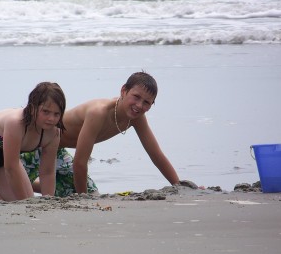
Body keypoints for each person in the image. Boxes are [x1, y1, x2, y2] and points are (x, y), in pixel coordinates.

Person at [22, 71, 180, 196]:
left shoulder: (137, 119)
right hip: (37, 143)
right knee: (15, 192)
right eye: (136, 97)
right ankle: (24, 182)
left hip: (57, 151)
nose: (139, 105)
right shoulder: (99, 112)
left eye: (147, 102)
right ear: (124, 90)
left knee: (94, 194)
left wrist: (178, 185)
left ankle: (37, 184)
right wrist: (84, 199)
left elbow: (156, 154)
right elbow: (80, 162)